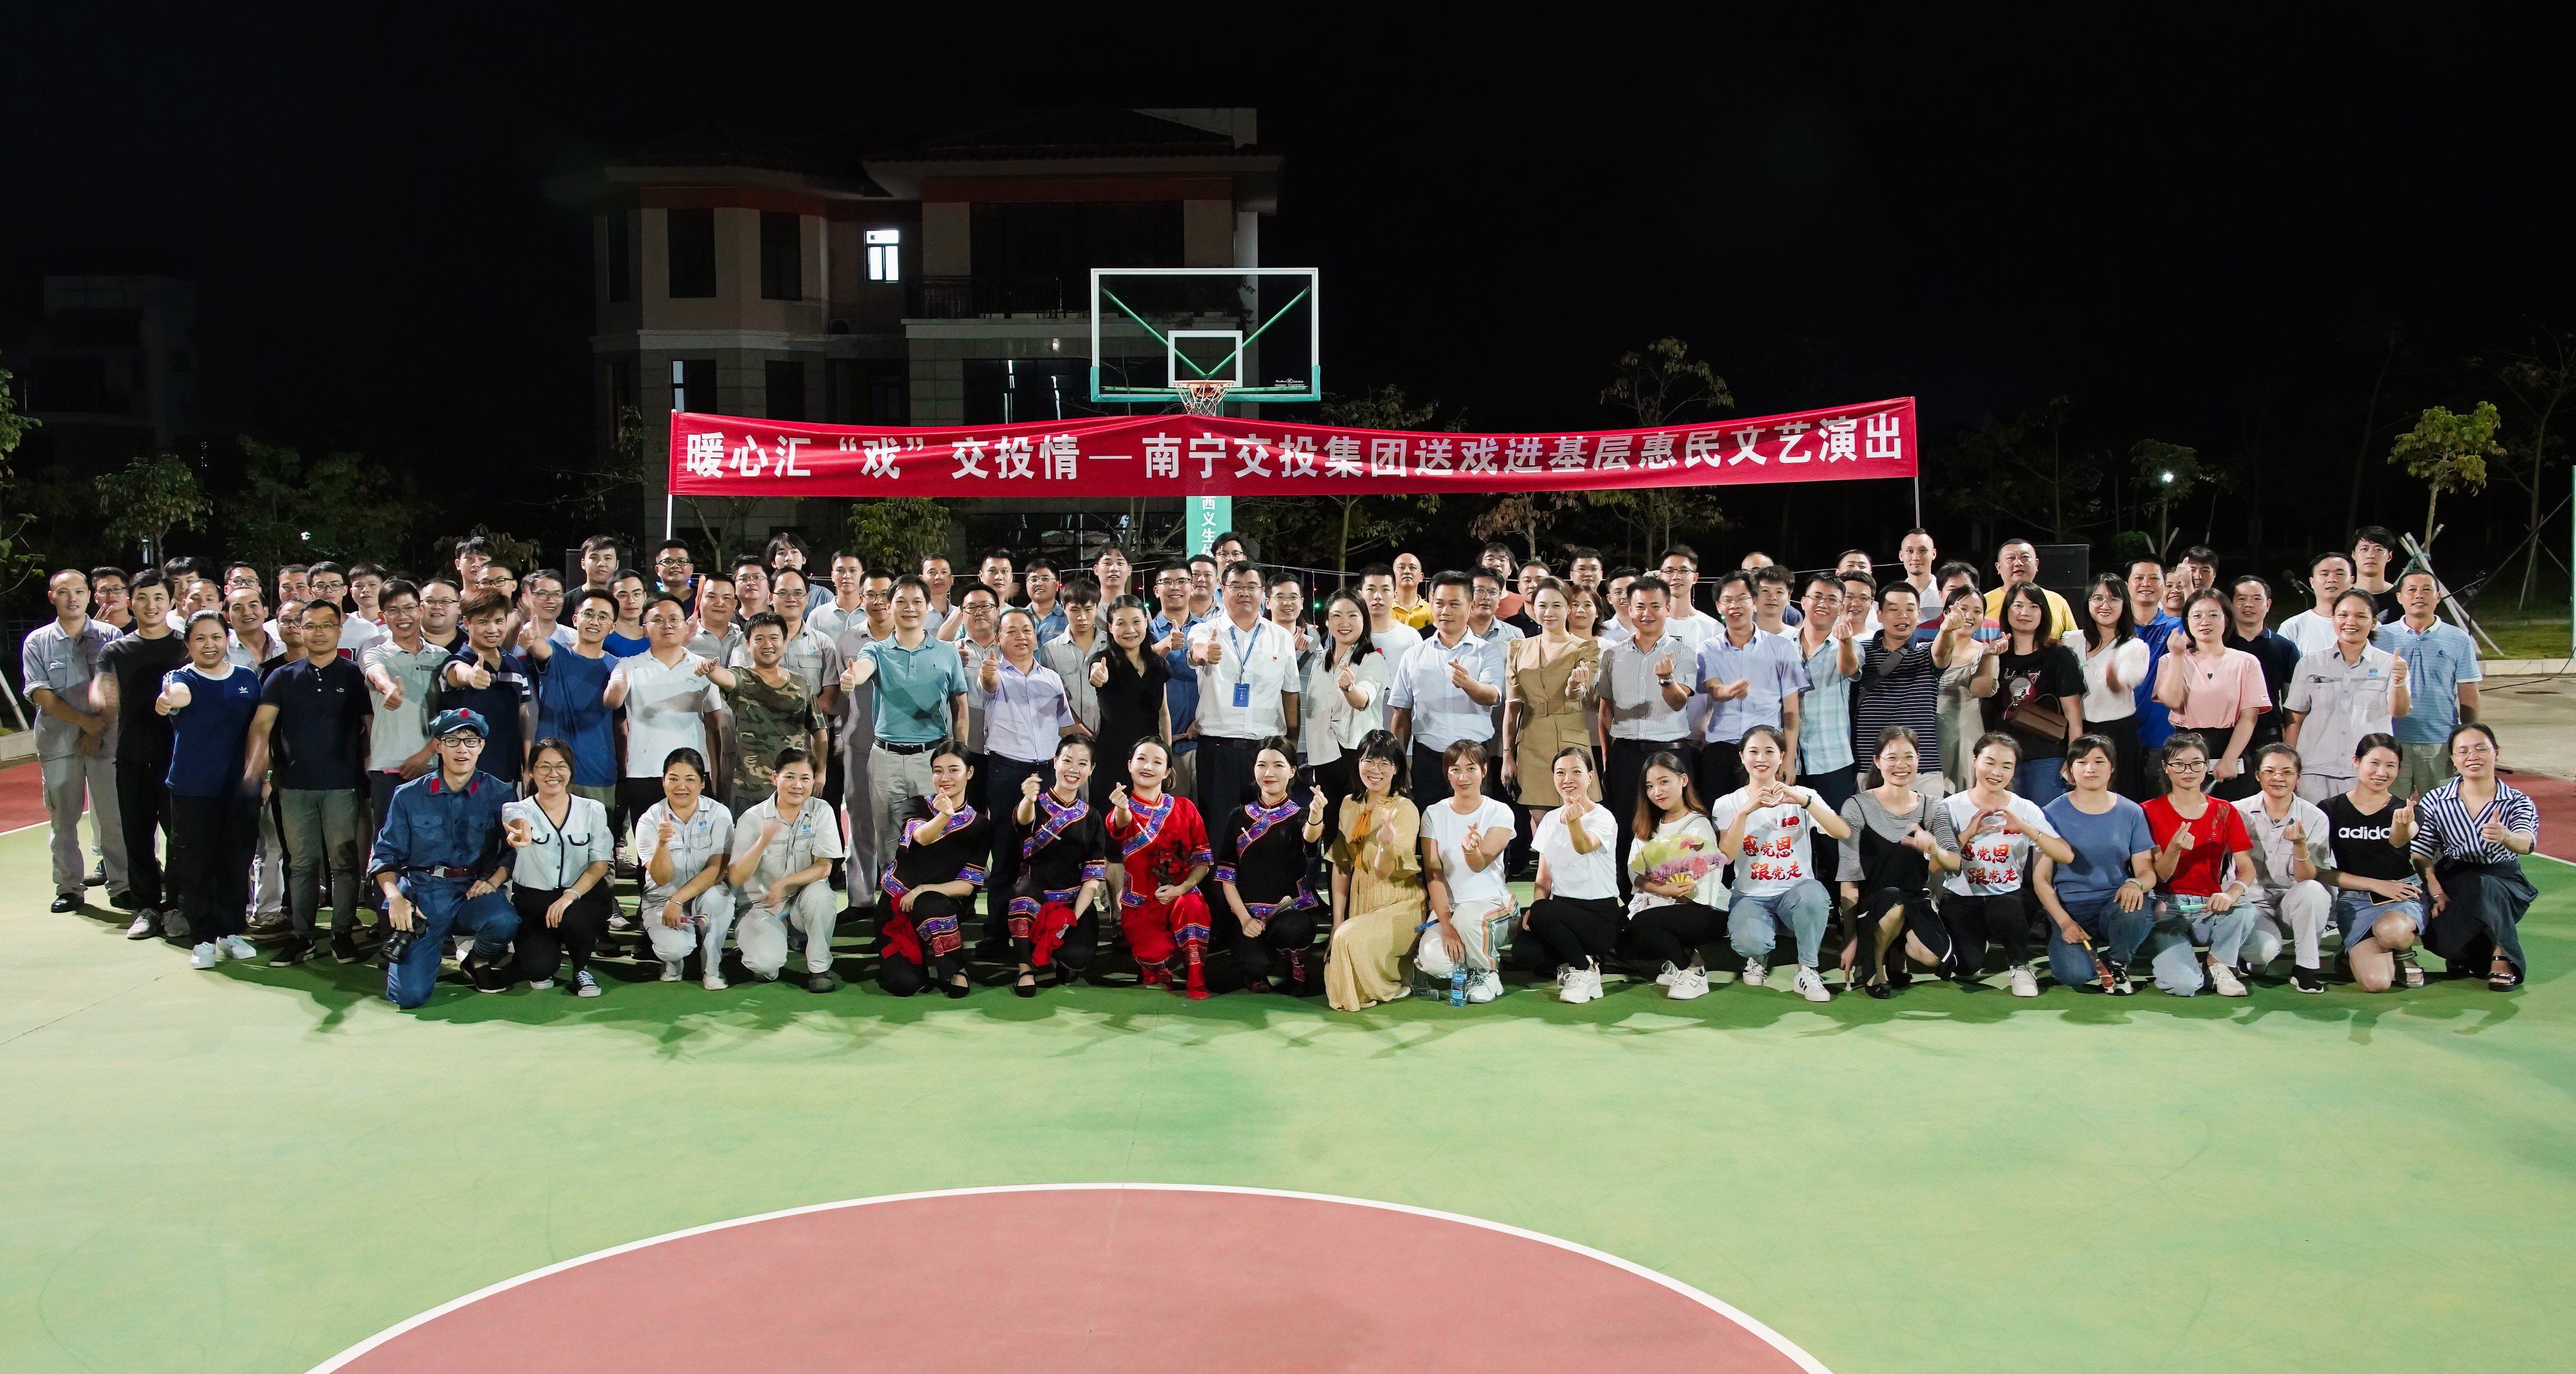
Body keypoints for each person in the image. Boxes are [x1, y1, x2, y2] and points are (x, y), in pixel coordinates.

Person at [370, 708, 521, 1006]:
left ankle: (476, 961)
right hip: (425, 894)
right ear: (438, 746)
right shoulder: (408, 795)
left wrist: (494, 881)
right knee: (409, 997)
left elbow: (511, 851)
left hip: (473, 892)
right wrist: (396, 898)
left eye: (470, 741)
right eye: (452, 741)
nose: (462, 749)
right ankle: (425, 955)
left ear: (481, 746)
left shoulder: (501, 793)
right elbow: (385, 854)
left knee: (505, 921)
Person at [253, 596, 371, 968]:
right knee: (302, 865)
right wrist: (259, 772)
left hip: (343, 785)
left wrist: (370, 769)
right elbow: (261, 726)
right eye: (311, 626)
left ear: (339, 629)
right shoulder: (282, 676)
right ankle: (302, 937)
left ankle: (342, 934)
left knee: (345, 865)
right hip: (294, 786)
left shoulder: (354, 675)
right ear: (299, 630)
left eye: (327, 625)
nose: (319, 633)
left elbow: (371, 727)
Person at [841, 576, 971, 887]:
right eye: (901, 602)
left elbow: (961, 708)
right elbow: (862, 670)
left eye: (916, 602)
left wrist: (960, 758)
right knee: (889, 839)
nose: (909, 608)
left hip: (932, 760)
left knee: (936, 834)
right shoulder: (876, 650)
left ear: (928, 607)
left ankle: (930, 902)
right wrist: (853, 677)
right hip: (885, 759)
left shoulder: (946, 651)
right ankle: (893, 904)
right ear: (890, 606)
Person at [157, 611, 266, 968]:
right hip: (193, 789)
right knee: (196, 865)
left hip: (240, 791)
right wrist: (167, 701)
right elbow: (177, 695)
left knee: (236, 862)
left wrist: (263, 778)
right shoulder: (180, 678)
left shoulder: (247, 679)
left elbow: (261, 732)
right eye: (200, 638)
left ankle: (231, 931)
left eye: (216, 637)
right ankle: (202, 938)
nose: (209, 645)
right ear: (188, 644)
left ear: (227, 640)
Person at [1710, 725, 1851, 1001]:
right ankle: (1758, 955)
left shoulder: (1803, 795)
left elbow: (1842, 832)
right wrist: (1744, 813)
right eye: (1753, 752)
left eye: (1769, 751)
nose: (1761, 758)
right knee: (1749, 942)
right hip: (1751, 896)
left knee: (1814, 895)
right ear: (1742, 756)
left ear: (1782, 756)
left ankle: (1808, 969)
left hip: (1795, 893)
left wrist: (1805, 802)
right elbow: (1726, 856)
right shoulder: (1728, 803)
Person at [1937, 733, 2075, 995]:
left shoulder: (2025, 808)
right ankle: (1978, 944)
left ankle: (2020, 966)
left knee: (2006, 907)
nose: (1996, 772)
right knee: (1966, 967)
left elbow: (2065, 855)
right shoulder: (1950, 806)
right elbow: (1933, 865)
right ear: (1975, 760)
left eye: (2006, 766)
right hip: (1960, 898)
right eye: (1989, 763)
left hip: (2007, 896)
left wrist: (2025, 828)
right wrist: (1966, 835)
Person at [972, 606, 1076, 941]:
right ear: (998, 639)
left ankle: (1041, 930)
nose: (1021, 637)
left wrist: (1094, 747)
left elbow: (1066, 726)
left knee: (1046, 853)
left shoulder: (1052, 678)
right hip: (1006, 773)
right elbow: (988, 685)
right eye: (1012, 631)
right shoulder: (994, 674)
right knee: (1005, 852)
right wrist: (988, 673)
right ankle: (996, 932)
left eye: (1027, 630)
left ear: (1036, 636)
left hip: (1048, 775)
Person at [2410, 722, 2538, 991]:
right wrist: (2436, 891)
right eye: (2463, 751)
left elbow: (2526, 843)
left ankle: (2502, 956)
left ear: (2496, 753)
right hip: (2453, 878)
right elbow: (2421, 854)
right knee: (2474, 893)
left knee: (2488, 887)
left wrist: (2506, 836)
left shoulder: (2518, 801)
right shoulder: (2435, 800)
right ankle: (2466, 950)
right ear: (2453, 759)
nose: (2472, 756)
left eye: (2481, 748)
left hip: (2504, 878)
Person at [26, 567, 125, 913]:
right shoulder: (37, 641)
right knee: (63, 820)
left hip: (107, 741)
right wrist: (86, 725)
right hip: (58, 743)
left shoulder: (110, 635)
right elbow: (41, 694)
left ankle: (122, 885)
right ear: (51, 597)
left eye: (79, 591)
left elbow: (115, 686)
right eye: (64, 592)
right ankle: (69, 887)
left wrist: (98, 729)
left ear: (89, 596)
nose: (73, 598)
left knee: (113, 818)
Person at [96, 572, 188, 939]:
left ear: (171, 603)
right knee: (137, 838)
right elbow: (103, 687)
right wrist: (100, 696)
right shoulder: (115, 651)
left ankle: (178, 907)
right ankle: (147, 908)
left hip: (178, 759)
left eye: (159, 597)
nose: (151, 605)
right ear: (130, 603)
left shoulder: (186, 646)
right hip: (132, 755)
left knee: (180, 837)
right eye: (143, 598)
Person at [609, 591, 725, 880]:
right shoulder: (629, 666)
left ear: (686, 627)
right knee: (650, 849)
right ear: (644, 629)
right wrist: (618, 686)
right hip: (645, 772)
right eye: (658, 620)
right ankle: (651, 903)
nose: (667, 625)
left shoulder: (704, 667)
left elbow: (714, 725)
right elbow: (612, 700)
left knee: (697, 848)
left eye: (674, 619)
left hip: (694, 773)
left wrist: (714, 772)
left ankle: (695, 901)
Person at [1837, 728, 1959, 997]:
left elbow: (1955, 863)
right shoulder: (1856, 806)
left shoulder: (1934, 806)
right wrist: (1850, 938)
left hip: (1914, 899)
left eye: (1908, 757)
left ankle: (1896, 950)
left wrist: (1935, 850)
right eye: (1892, 758)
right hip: (1872, 904)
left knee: (1932, 957)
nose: (1901, 765)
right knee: (1893, 900)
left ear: (1919, 760)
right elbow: (1849, 877)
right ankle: (1875, 967)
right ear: (1877, 761)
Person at [1592, 574, 1694, 899]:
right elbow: (1605, 710)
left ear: (1668, 609)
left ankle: (1676, 894)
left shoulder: (1682, 652)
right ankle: (1626, 897)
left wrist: (1666, 680)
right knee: (1624, 824)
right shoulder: (1613, 655)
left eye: (1655, 606)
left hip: (1671, 752)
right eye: (1640, 606)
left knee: (1672, 825)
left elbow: (1679, 703)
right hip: (1626, 753)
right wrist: (1608, 756)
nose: (1647, 613)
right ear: (1629, 608)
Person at [2033, 735, 2157, 994]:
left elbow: (2147, 870)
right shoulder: (2050, 814)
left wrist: (2136, 883)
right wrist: (2064, 923)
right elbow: (2041, 879)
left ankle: (2118, 962)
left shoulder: (2132, 812)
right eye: (2082, 762)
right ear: (2070, 770)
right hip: (2071, 909)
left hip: (2115, 904)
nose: (2090, 768)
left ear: (2112, 767)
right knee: (2074, 975)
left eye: (2099, 761)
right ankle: (2082, 952)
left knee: (2137, 906)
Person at [2140, 731, 2261, 997]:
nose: (2189, 771)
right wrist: (2174, 850)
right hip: (2166, 908)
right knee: (2184, 986)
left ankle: (2219, 965)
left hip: (2210, 905)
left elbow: (2247, 867)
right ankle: (2187, 966)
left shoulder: (2224, 810)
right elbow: (2157, 877)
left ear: (2207, 766)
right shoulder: (2147, 812)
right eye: (2179, 764)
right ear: (2166, 767)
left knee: (2244, 909)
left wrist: (2231, 893)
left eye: (2196, 763)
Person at [1181, 562, 1298, 831]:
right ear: (1222, 590)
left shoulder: (1281, 637)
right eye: (1236, 586)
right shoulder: (1204, 630)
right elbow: (1196, 650)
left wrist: (1291, 742)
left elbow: (1291, 692)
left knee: (1266, 831)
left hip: (1266, 751)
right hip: (1217, 750)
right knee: (1218, 830)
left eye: (1252, 587)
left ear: (1263, 593)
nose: (1244, 593)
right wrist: (1204, 653)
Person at [1213, 740, 1327, 996]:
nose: (1269, 773)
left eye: (1278, 766)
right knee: (1255, 962)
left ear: (1292, 771)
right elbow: (1227, 876)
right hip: (1248, 914)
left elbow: (1310, 838)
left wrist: (1316, 815)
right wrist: (1245, 920)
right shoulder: (1238, 816)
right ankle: (1260, 963)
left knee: (1294, 929)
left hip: (1289, 914)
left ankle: (1294, 962)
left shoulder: (1301, 815)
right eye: (1262, 765)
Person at [727, 746, 845, 991]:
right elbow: (736, 877)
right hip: (763, 906)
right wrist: (763, 841)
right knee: (765, 966)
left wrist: (784, 883)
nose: (797, 785)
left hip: (801, 902)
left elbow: (824, 867)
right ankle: (752, 943)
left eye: (805, 778)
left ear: (814, 781)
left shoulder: (821, 811)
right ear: (775, 778)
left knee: (821, 894)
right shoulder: (752, 818)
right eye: (790, 776)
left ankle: (819, 969)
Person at [1323, 730, 1426, 1011]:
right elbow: (1342, 866)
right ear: (1358, 763)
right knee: (1340, 947)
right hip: (1361, 899)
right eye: (1369, 761)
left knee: (1349, 938)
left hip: (1399, 902)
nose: (1375, 770)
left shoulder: (1405, 809)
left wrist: (1385, 844)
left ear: (1397, 769)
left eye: (1385, 763)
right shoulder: (1349, 804)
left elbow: (1384, 871)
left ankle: (1396, 982)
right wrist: (1336, 923)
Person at [503, 738, 614, 996]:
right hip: (533, 900)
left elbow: (600, 864)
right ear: (531, 772)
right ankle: (537, 951)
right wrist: (522, 832)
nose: (553, 774)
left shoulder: (592, 810)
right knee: (540, 970)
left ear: (570, 771)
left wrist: (569, 896)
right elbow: (517, 821)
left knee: (577, 918)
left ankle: (581, 967)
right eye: (544, 767)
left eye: (561, 766)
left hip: (578, 896)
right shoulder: (517, 808)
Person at [1413, 741, 1519, 1004]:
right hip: (1451, 910)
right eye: (1455, 769)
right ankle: (1470, 961)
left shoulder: (1500, 812)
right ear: (1447, 774)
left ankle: (1487, 975)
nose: (1463, 777)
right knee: (1436, 963)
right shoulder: (1433, 814)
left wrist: (1470, 850)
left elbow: (1479, 864)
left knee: (1469, 918)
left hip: (1494, 905)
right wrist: (1446, 926)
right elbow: (1433, 874)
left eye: (1471, 768)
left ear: (1484, 770)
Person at [1620, 752, 1731, 1000]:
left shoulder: (1698, 825)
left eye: (1664, 782)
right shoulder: (1648, 825)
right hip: (1659, 901)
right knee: (1617, 931)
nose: (1657, 792)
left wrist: (1675, 893)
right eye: (1650, 786)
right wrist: (1661, 890)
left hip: (1702, 909)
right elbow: (1634, 874)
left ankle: (1692, 969)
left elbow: (1708, 883)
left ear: (1683, 780)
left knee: (1644, 923)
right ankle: (1675, 961)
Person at [1107, 736, 1213, 996]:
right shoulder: (1121, 810)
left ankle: (1196, 976)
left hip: (1181, 897)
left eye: (1157, 762)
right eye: (1141, 759)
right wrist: (1122, 808)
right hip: (1141, 905)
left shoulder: (1185, 807)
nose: (1148, 766)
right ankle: (1156, 967)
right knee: (1154, 956)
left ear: (1167, 771)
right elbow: (1120, 824)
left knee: (1191, 904)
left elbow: (1203, 860)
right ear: (1130, 765)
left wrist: (1182, 889)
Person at [1388, 572, 1503, 811]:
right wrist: (1399, 764)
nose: (1445, 611)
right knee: (1427, 825)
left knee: (1475, 826)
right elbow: (1401, 713)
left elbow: (1492, 696)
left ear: (1471, 606)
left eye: (1454, 604)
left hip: (1474, 760)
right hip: (1428, 759)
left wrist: (1468, 684)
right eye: (1439, 604)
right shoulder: (1414, 655)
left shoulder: (1487, 652)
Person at [2283, 589, 2411, 803]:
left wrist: (2399, 681)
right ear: (2333, 619)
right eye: (2343, 615)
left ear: (2374, 622)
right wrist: (2290, 766)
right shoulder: (2310, 664)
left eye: (2361, 616)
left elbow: (2399, 711)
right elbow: (2295, 718)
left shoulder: (2392, 664)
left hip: (2367, 772)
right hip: (2314, 770)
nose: (2351, 622)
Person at [2325, 734, 2427, 992]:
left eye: (2391, 766)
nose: (2382, 773)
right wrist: (2375, 884)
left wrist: (2402, 826)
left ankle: (2403, 951)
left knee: (2393, 932)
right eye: (2374, 763)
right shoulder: (2330, 809)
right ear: (2356, 762)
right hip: (2355, 899)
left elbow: (2399, 839)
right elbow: (2319, 872)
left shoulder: (2406, 811)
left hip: (2401, 894)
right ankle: (2350, 951)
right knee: (2377, 984)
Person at [2232, 743, 2337, 992]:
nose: (2278, 778)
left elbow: (2309, 877)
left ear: (2298, 777)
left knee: (2313, 890)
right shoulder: (2236, 812)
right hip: (2252, 905)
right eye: (2269, 771)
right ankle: (2253, 959)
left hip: (2294, 903)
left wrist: (2300, 845)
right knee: (2263, 952)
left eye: (2287, 772)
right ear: (2257, 776)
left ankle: (2306, 969)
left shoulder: (2315, 817)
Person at [1694, 570, 1808, 801]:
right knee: (1719, 816)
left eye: (1742, 598)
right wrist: (1727, 692)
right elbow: (1713, 688)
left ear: (1754, 602)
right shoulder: (1708, 648)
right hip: (1721, 750)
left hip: (1765, 752)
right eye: (1727, 600)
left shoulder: (1782, 648)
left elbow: (1791, 711)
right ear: (1718, 606)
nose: (1735, 605)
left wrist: (1788, 758)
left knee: (1766, 816)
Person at [1520, 747, 1622, 1004]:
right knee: (1525, 952)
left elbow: (1584, 846)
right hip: (1563, 910)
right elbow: (1543, 879)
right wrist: (1537, 910)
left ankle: (1584, 970)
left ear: (1590, 777)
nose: (1568, 780)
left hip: (1599, 915)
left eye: (1576, 772)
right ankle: (1581, 958)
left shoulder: (1603, 817)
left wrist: (1574, 821)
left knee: (1545, 913)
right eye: (1560, 773)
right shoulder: (1549, 820)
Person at [1009, 733, 1109, 994]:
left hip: (1072, 901)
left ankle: (1060, 954)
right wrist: (1028, 799)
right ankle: (1024, 969)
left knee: (1078, 958)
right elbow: (1023, 822)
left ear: (1091, 769)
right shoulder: (1035, 804)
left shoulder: (1092, 816)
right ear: (1055, 762)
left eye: (1082, 763)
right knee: (1021, 896)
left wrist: (1072, 918)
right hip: (1036, 897)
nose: (1073, 769)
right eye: (1067, 760)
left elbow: (1093, 877)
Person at [1970, 582, 2085, 804]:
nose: (2025, 612)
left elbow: (2073, 715)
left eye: (2034, 607)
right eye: (2018, 605)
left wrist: (2075, 758)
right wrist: (1989, 656)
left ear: (2044, 613)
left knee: (2044, 820)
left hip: (2046, 757)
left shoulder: (2059, 655)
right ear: (2007, 611)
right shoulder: (1996, 653)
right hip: (2000, 759)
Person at [2373, 569, 2482, 798]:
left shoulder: (2459, 639)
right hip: (2390, 741)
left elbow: (2469, 696)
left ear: (2438, 596)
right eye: (2411, 590)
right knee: (2388, 809)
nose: (2419, 595)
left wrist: (2467, 739)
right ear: (2399, 597)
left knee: (2441, 810)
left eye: (2426, 590)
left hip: (2439, 743)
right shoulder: (2379, 638)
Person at [700, 611, 825, 810]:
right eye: (759, 639)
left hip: (793, 789)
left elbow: (819, 732)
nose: (767, 644)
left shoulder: (801, 684)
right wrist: (709, 669)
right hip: (748, 790)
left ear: (785, 642)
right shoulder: (741, 679)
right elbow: (723, 677)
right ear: (748, 645)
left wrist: (821, 772)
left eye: (774, 638)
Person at [634, 748, 736, 988]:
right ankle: (673, 963)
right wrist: (662, 844)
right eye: (673, 779)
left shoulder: (719, 814)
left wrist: (679, 899)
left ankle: (712, 968)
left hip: (703, 894)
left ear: (702, 783)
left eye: (690, 779)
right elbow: (661, 878)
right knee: (675, 949)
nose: (682, 786)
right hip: (662, 899)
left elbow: (718, 869)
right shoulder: (649, 820)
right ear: (663, 782)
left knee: (719, 897)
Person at [1852, 583, 1966, 792]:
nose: (1902, 616)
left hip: (1923, 768)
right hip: (1872, 765)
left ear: (1919, 615)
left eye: (1910, 609)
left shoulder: (1926, 652)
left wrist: (1946, 630)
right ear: (1880, 615)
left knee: (1928, 816)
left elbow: (1942, 653)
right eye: (1894, 609)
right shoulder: (1861, 651)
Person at [2152, 589, 2269, 791]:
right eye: (2197, 616)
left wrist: (2229, 759)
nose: (2205, 622)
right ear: (2187, 622)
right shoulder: (2170, 660)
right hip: (2184, 751)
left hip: (2230, 750)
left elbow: (2249, 717)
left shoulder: (2246, 662)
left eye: (2213, 615)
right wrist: (2178, 656)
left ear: (2227, 620)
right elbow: (2173, 702)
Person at [1502, 578, 1599, 813]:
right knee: (1539, 821)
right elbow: (1512, 706)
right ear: (1533, 608)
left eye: (1557, 605)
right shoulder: (1519, 648)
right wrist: (1507, 756)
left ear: (1569, 608)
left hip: (1571, 741)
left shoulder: (1585, 648)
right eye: (1543, 605)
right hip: (1531, 740)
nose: (1549, 612)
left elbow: (1578, 693)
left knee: (1577, 815)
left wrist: (1574, 684)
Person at [524, 589, 620, 820]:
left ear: (612, 627)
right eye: (589, 614)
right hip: (550, 772)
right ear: (576, 619)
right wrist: (529, 639)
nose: (595, 621)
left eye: (603, 617)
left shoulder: (618, 666)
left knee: (597, 838)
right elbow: (537, 646)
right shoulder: (555, 651)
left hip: (597, 772)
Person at [1794, 574, 1865, 865]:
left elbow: (1849, 669)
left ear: (1842, 608)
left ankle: (1841, 894)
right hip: (1790, 760)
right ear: (1803, 601)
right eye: (1817, 597)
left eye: (1832, 600)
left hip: (1832, 759)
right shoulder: (1782, 644)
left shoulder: (1849, 645)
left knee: (1836, 840)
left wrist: (1845, 640)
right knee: (1793, 838)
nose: (1823, 604)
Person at [1303, 589, 1389, 817]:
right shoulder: (1320, 660)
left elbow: (1363, 700)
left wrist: (1349, 688)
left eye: (1353, 615)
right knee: (1327, 824)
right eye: (1337, 616)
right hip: (1322, 754)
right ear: (1328, 621)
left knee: (1356, 825)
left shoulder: (1373, 659)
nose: (1344, 623)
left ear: (1364, 620)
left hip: (1357, 756)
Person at [2217, 575, 2302, 800]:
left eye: (2257, 599)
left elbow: (2293, 703)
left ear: (2269, 604)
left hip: (2267, 738)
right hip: (2224, 739)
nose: (2249, 605)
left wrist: (2289, 747)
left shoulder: (2284, 647)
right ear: (2230, 604)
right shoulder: (2219, 644)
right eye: (2241, 599)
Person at [2064, 573, 2148, 799]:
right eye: (2098, 598)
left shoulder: (2134, 646)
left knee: (2120, 799)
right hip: (2077, 731)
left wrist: (2115, 679)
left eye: (2114, 599)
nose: (2105, 605)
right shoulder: (2070, 641)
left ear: (2124, 604)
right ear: (2087, 602)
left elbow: (2123, 683)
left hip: (2118, 735)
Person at [1087, 595, 1173, 815]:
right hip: (1112, 758)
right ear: (1110, 627)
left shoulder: (1158, 664)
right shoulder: (1103, 660)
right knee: (1111, 819)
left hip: (1150, 759)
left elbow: (1163, 714)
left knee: (1149, 819)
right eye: (1121, 623)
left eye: (1136, 622)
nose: (1130, 630)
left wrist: (1167, 758)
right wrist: (1098, 675)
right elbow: (1097, 672)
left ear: (1146, 622)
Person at [439, 591, 535, 784]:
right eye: (483, 622)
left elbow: (524, 714)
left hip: (507, 775)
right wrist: (471, 676)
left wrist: (528, 764)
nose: (493, 629)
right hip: (463, 778)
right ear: (466, 624)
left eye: (499, 621)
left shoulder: (514, 664)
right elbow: (458, 673)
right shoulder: (456, 660)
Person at [2129, 559, 2185, 755]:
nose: (2146, 583)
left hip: (2162, 738)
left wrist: (2188, 585)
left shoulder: (2176, 627)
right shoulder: (2114, 628)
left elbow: (2199, 619)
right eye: (2139, 578)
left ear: (2163, 585)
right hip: (2119, 735)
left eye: (2154, 578)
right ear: (2127, 585)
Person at [1040, 580, 1104, 736]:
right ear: (1064, 608)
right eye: (1075, 610)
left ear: (1097, 607)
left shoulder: (1110, 645)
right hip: (1070, 735)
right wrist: (1079, 732)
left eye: (1088, 609)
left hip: (1110, 733)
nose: (1082, 617)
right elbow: (1055, 699)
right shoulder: (1051, 650)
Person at [2276, 551, 2353, 657]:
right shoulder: (2292, 627)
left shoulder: (2366, 624)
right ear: (2312, 582)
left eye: (2339, 574)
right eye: (2324, 574)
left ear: (2352, 581)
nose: (2332, 580)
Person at [1357, 563, 1422, 666]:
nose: (1378, 596)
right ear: (1360, 594)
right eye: (1371, 589)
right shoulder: (1350, 636)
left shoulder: (1411, 637)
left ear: (1395, 595)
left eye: (1385, 590)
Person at [2351, 525, 2405, 620]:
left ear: (2389, 556)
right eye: (2364, 549)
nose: (2371, 555)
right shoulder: (2342, 595)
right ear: (2353, 554)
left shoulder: (2401, 598)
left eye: (2379, 550)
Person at [603, 569, 652, 657]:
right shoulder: (603, 639)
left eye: (637, 594)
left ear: (645, 597)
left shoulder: (654, 637)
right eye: (623, 596)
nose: (631, 601)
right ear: (611, 600)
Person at [1388, 552, 1432, 629]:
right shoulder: (1384, 610)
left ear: (1421, 577)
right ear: (1392, 576)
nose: (1407, 571)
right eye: (1401, 567)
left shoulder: (1431, 611)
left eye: (1413, 568)